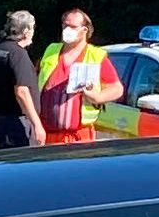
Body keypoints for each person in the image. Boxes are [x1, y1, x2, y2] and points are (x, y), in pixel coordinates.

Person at [40, 8, 113, 140]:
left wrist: (97, 97)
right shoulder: (51, 50)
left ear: (85, 30)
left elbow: (117, 88)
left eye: (73, 26)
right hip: (48, 135)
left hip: (80, 136)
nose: (67, 30)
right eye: (65, 25)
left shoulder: (96, 55)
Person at [0, 10, 46, 149]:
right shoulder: (18, 54)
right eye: (33, 28)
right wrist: (37, 124)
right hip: (15, 124)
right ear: (26, 31)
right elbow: (21, 91)